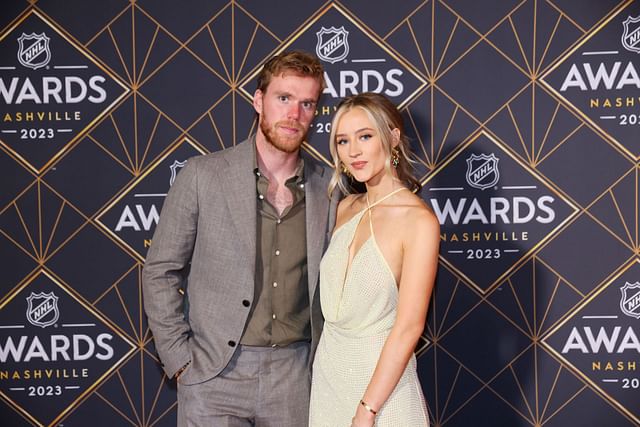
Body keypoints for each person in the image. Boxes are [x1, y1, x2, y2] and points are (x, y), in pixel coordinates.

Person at [142, 50, 337, 427]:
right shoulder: (202, 175)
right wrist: (180, 361)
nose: (294, 115)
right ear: (259, 100)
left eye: (307, 103)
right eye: (284, 99)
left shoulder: (328, 189)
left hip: (294, 376)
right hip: (214, 371)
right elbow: (160, 270)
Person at [309, 92, 440, 427]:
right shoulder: (342, 208)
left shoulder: (418, 221)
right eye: (342, 141)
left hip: (384, 394)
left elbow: (410, 326)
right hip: (328, 384)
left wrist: (368, 409)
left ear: (392, 138)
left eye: (365, 136)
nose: (353, 151)